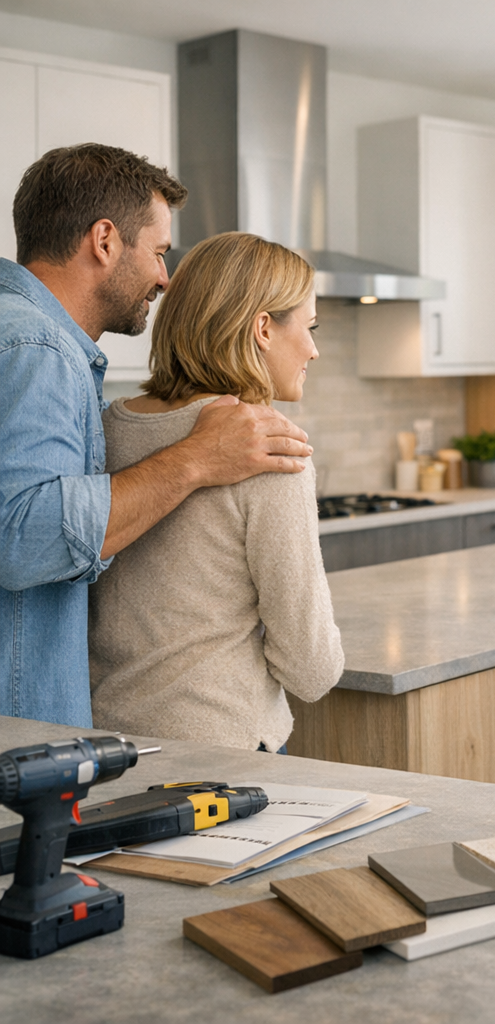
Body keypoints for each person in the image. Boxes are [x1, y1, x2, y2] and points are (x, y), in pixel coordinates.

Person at [0, 144, 312, 728]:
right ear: (104, 241)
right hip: (21, 730)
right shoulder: (35, 350)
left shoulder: (30, 342)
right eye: (159, 252)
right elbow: (20, 539)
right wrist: (195, 458)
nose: (165, 278)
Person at [89, 232, 344, 752]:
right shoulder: (266, 445)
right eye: (310, 327)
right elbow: (311, 668)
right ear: (263, 329)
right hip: (222, 751)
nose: (314, 350)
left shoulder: (108, 427)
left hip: (105, 738)